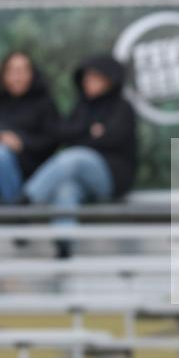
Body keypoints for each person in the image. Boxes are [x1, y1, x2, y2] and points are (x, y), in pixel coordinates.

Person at [22, 54, 137, 258]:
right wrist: (90, 132)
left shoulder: (122, 108)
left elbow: (112, 139)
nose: (88, 82)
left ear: (108, 79)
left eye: (94, 77)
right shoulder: (82, 107)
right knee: (66, 189)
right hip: (84, 180)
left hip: (112, 176)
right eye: (86, 77)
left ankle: (26, 201)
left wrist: (83, 138)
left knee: (76, 157)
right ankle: (64, 242)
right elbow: (64, 133)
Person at [0, 51, 60, 206]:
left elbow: (52, 142)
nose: (17, 76)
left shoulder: (43, 103)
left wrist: (21, 143)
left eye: (22, 71)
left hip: (27, 169)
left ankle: (14, 215)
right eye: (12, 71)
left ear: (31, 74)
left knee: (0, 154)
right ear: (3, 75)